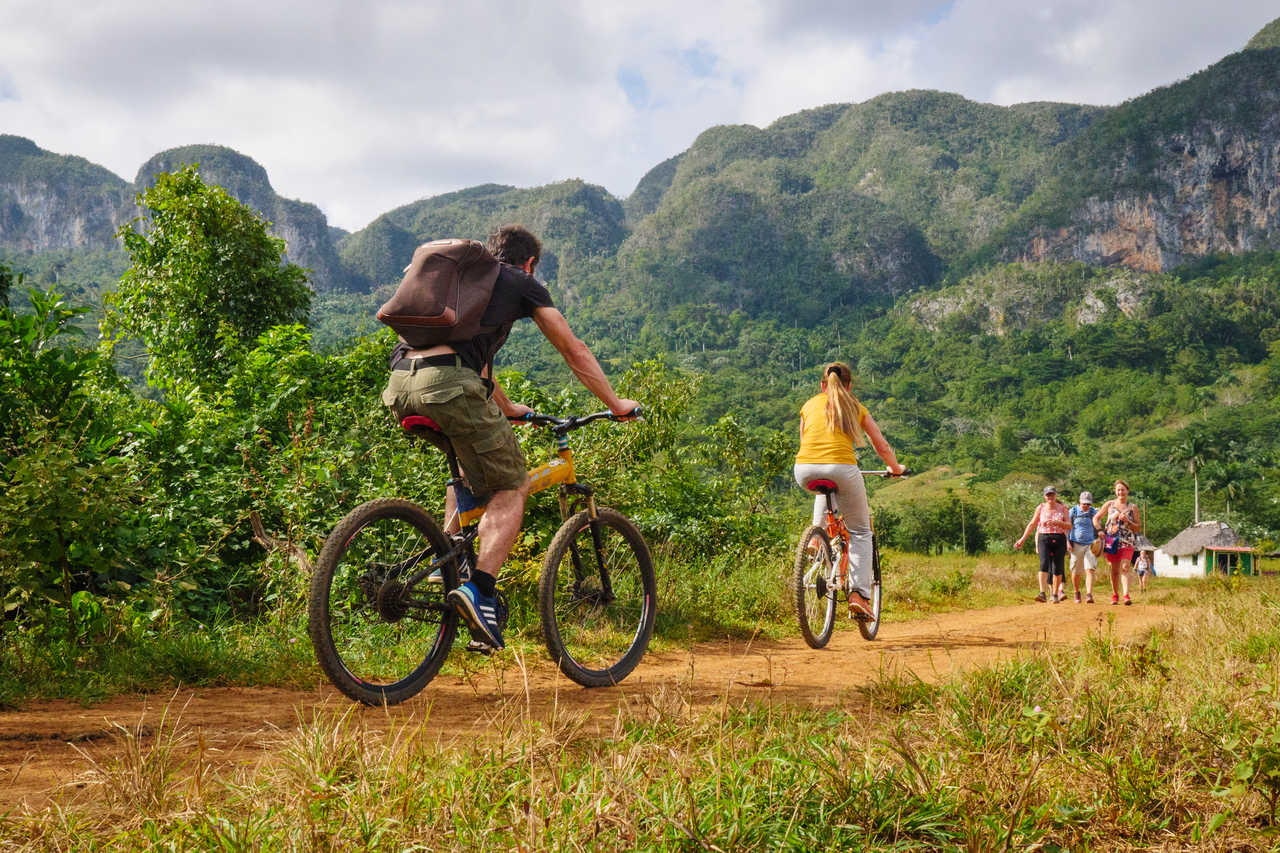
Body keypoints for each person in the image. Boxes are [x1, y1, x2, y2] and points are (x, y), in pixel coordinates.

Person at [381, 224, 638, 650]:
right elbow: (573, 349)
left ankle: (444, 565)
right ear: (531, 263)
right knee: (512, 484)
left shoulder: (466, 287)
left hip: (401, 386)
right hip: (448, 388)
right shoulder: (521, 283)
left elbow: (476, 366)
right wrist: (614, 403)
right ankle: (479, 590)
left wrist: (509, 407)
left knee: (466, 468)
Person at [793, 362, 905, 618]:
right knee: (862, 531)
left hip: (804, 469)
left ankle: (815, 538)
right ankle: (859, 595)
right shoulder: (855, 407)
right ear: (850, 386)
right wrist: (895, 468)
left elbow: (804, 443)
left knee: (825, 489)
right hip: (842, 469)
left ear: (822, 386)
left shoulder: (808, 405)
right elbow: (882, 446)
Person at [1015, 486, 1071, 602]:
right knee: (1044, 563)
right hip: (1043, 537)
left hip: (1059, 537)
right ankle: (1042, 593)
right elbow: (1032, 524)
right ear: (1044, 496)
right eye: (1048, 495)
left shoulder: (1063, 508)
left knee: (1057, 567)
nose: (1050, 497)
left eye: (1052, 494)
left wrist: (1058, 522)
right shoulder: (1040, 508)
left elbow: (1069, 526)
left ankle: (1055, 594)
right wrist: (1022, 539)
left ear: (1056, 495)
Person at [1093, 479, 1141, 606]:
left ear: (1127, 491)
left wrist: (1128, 521)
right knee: (1114, 570)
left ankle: (1126, 595)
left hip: (1127, 540)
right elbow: (1096, 518)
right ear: (1115, 491)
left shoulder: (1133, 508)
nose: (1121, 492)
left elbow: (1138, 527)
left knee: (1125, 567)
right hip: (1111, 540)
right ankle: (1115, 595)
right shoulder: (1109, 505)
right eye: (1118, 490)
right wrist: (1099, 530)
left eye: (1123, 489)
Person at [1067, 491, 1099, 603]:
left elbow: (1097, 526)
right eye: (1084, 503)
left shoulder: (1093, 512)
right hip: (1076, 543)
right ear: (1079, 502)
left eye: (1088, 504)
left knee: (1090, 569)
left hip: (1090, 544)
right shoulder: (1073, 511)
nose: (1086, 506)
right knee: (1076, 571)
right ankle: (1076, 592)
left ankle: (1089, 594)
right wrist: (1067, 542)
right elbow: (1067, 527)